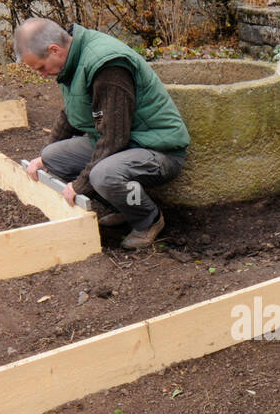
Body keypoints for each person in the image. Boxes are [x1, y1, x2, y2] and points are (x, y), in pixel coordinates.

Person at [15, 17, 189, 250]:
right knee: (53, 157)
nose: (42, 75)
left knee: (103, 175)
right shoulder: (73, 61)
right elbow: (71, 112)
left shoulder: (107, 66)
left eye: (41, 68)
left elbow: (114, 139)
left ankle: (148, 218)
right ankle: (125, 206)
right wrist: (43, 159)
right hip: (124, 142)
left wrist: (80, 185)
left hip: (156, 148)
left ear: (54, 50)